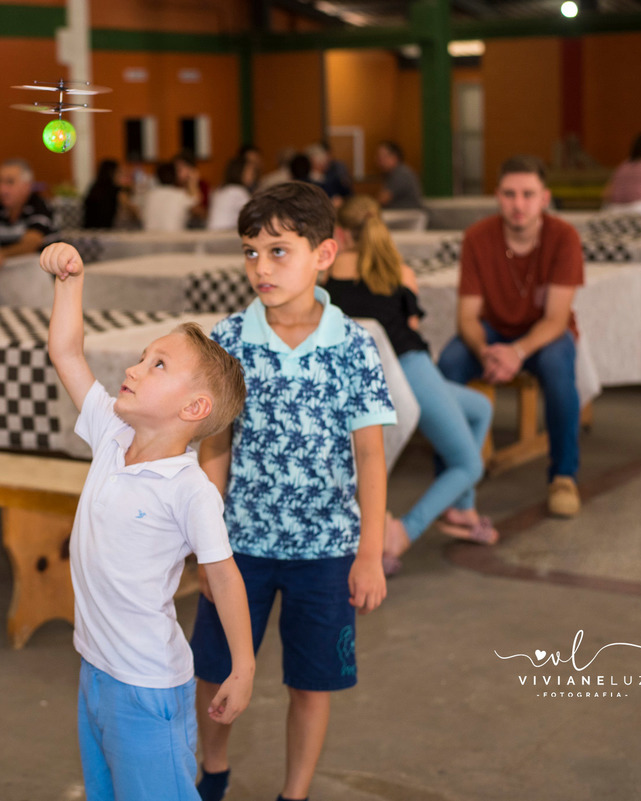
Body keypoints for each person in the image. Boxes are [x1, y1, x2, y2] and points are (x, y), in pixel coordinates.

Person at [189, 181, 392, 801]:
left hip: (328, 551)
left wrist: (369, 552)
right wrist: (205, 539)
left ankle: (294, 794)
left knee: (312, 682)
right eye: (251, 252)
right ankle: (213, 773)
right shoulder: (229, 339)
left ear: (324, 255)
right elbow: (215, 445)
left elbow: (371, 457)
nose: (261, 267)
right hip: (239, 547)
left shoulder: (355, 345)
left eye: (279, 251)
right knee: (216, 671)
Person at [38, 241, 255, 801]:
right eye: (142, 356)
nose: (134, 368)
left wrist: (244, 665)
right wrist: (69, 281)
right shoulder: (113, 433)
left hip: (147, 688)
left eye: (158, 365)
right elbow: (66, 353)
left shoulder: (190, 491)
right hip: (95, 669)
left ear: (194, 410)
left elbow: (225, 577)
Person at [326, 197, 496, 576]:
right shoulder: (399, 272)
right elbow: (411, 333)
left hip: (363, 377)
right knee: (469, 463)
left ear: (339, 233)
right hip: (408, 367)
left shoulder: (327, 272)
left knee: (480, 408)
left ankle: (462, 509)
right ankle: (404, 531)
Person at [438, 155, 584, 518]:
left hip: (541, 334)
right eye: (509, 194)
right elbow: (467, 316)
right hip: (491, 332)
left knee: (558, 366)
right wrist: (487, 352)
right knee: (450, 361)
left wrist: (517, 352)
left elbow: (556, 318)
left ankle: (563, 475)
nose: (519, 204)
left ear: (545, 198)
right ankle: (448, 479)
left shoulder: (563, 237)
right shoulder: (477, 237)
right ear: (497, 196)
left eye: (528, 194)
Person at [0, 158, 57, 270]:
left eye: (10, 182)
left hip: (47, 276)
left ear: (26, 186)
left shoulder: (39, 206)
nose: (2, 189)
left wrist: (1, 255)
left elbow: (31, 244)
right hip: (16, 276)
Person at [141, 161, 198, 232]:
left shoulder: (149, 195)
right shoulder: (180, 195)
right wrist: (193, 180)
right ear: (175, 176)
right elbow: (196, 200)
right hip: (174, 240)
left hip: (147, 240)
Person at [82, 158, 138, 229]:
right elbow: (133, 213)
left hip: (88, 230)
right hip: (106, 232)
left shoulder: (94, 188)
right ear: (112, 173)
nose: (120, 176)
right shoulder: (117, 191)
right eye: (119, 172)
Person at [205, 156, 255, 232]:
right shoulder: (239, 191)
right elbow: (252, 216)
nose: (253, 175)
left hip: (211, 233)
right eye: (249, 172)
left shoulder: (220, 190)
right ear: (240, 172)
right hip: (226, 235)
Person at [375, 140, 423, 210]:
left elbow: (382, 199)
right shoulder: (392, 173)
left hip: (408, 215)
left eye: (382, 157)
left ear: (394, 157)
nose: (379, 161)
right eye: (378, 157)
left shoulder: (401, 174)